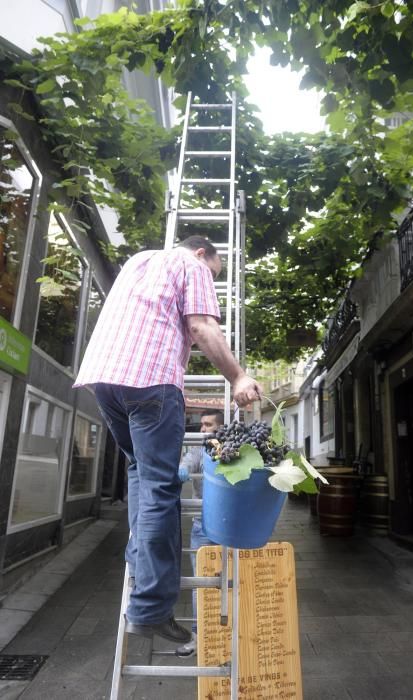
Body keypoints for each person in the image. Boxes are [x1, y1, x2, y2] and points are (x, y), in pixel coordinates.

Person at [73, 236, 262, 644]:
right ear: (201, 253)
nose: (211, 279)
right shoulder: (191, 266)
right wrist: (238, 376)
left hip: (105, 380)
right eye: (214, 272)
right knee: (161, 487)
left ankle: (139, 560)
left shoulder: (138, 260)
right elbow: (200, 325)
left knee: (141, 472)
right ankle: (151, 609)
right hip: (152, 380)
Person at [177, 408, 224, 657]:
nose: (203, 429)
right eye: (202, 425)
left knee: (229, 582)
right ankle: (199, 637)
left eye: (208, 425)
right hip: (202, 525)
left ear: (220, 427)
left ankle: (229, 636)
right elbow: (188, 460)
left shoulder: (232, 446)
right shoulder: (199, 447)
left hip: (229, 526)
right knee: (200, 584)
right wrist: (183, 468)